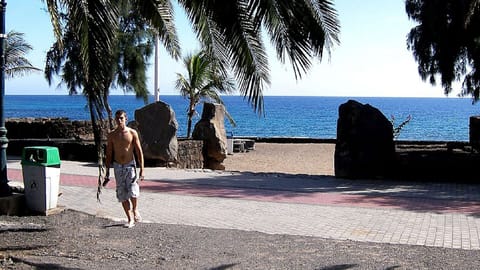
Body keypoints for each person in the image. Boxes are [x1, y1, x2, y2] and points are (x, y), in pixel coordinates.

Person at [105, 110, 145, 228]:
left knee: (133, 191)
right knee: (122, 193)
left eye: (121, 118)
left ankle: (135, 209)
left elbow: (139, 152)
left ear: (126, 119)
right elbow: (109, 153)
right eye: (117, 118)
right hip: (118, 166)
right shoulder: (112, 135)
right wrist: (107, 172)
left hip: (130, 165)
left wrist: (142, 168)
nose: (119, 120)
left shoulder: (132, 133)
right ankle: (130, 219)